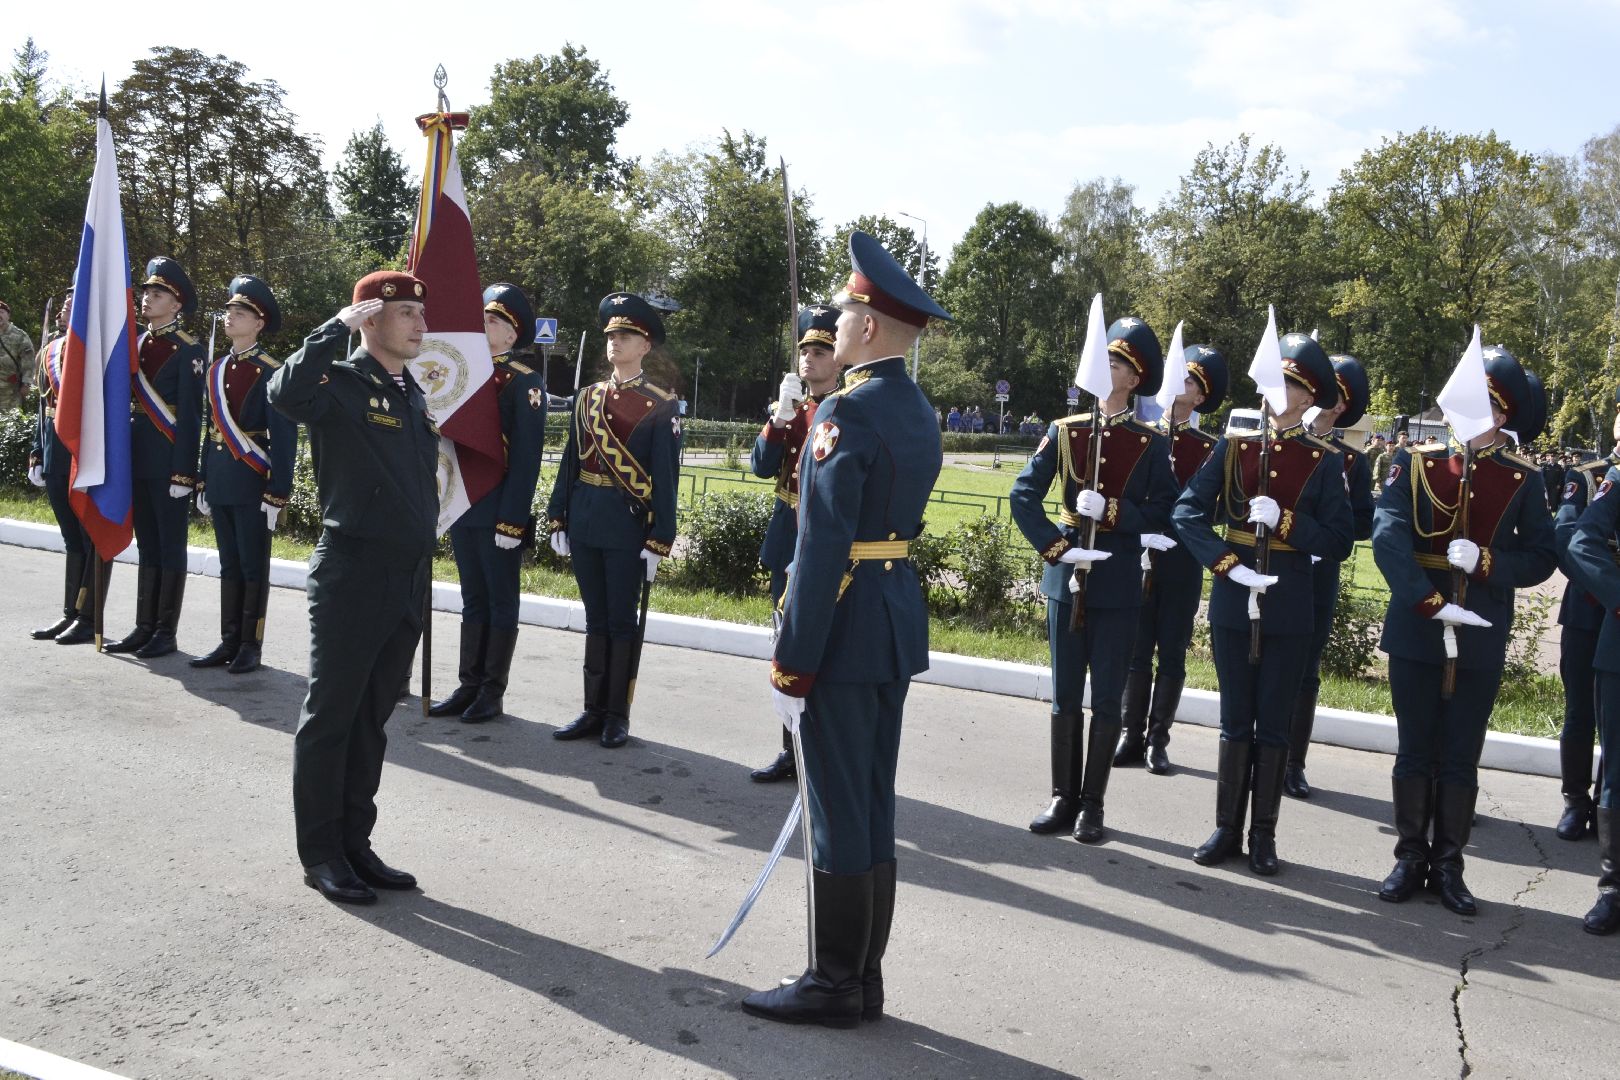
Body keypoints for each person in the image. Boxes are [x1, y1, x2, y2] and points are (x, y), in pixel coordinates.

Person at [741, 229, 947, 1028]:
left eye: (847, 313)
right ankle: (862, 977)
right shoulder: (915, 408)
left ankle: (832, 981)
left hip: (844, 618)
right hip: (889, 616)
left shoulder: (844, 412)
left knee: (835, 804)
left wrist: (793, 659)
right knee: (870, 799)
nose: (840, 322)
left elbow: (822, 545)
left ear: (864, 327)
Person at [267, 271, 439, 905]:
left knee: (371, 719)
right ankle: (321, 853)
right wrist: (332, 328)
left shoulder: (410, 393)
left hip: (405, 575)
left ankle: (356, 844)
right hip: (353, 571)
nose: (421, 323)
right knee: (332, 716)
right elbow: (281, 392)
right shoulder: (338, 383)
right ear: (370, 318)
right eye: (407, 313)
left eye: (422, 312)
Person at [1370, 346, 1556, 915]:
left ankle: (1449, 863)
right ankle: (1409, 856)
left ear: (1500, 416)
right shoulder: (1415, 462)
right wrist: (1429, 602)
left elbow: (1543, 557)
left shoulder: (1522, 480)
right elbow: (1387, 536)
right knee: (1415, 746)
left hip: (1479, 626)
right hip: (1418, 623)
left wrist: (1488, 562)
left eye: (1481, 406)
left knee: (1459, 751)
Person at [1172, 333, 1353, 876]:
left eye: (1289, 385)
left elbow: (1341, 540)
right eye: (1274, 382)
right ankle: (1227, 828)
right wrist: (1226, 564)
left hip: (1290, 601)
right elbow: (1186, 513)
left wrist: (1290, 523)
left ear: (1306, 398)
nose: (1276, 392)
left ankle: (1263, 836)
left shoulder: (1323, 461)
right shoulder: (1234, 447)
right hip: (1234, 594)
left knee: (1273, 724)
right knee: (1235, 722)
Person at [1011, 318, 1174, 843]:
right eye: (1105, 361)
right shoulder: (1065, 431)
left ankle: (1093, 804)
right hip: (1067, 576)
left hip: (1118, 580)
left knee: (1106, 697)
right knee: (1064, 695)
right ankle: (1062, 794)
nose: (1108, 370)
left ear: (1134, 380)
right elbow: (1022, 494)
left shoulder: (1150, 443)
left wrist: (1116, 512)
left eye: (1119, 364)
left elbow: (1167, 511)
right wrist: (1056, 546)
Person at [546, 292, 680, 749]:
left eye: (625, 336)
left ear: (645, 346)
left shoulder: (661, 405)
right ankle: (591, 708)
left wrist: (660, 538)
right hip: (585, 520)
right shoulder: (587, 398)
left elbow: (666, 477)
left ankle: (616, 715)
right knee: (596, 619)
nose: (615, 343)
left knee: (621, 622)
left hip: (627, 527)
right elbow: (569, 462)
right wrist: (557, 516)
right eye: (611, 336)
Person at [427, 283, 548, 723]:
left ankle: (492, 692)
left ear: (513, 335)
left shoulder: (524, 382)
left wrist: (512, 519)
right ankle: (468, 684)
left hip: (498, 509)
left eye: (493, 320)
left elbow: (527, 458)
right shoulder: (464, 373)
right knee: (472, 598)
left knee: (500, 600)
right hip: (462, 502)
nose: (483, 324)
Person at [1116, 344, 1228, 775]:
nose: (1177, 384)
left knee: (1173, 650)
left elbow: (1214, 506)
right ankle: (1130, 734)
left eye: (1189, 380)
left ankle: (1158, 739)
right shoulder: (1140, 433)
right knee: (1136, 647)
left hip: (1182, 556)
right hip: (1140, 547)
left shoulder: (1209, 447)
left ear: (1200, 397)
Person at [747, 303, 843, 783]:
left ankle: (821, 755)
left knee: (824, 651)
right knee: (786, 647)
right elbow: (761, 466)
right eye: (805, 349)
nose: (810, 358)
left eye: (821, 350)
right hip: (786, 541)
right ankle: (791, 751)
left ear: (838, 357)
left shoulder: (844, 410)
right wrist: (779, 419)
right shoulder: (792, 409)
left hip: (824, 543)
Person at [190, 276, 297, 674]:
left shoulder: (272, 372)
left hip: (252, 480)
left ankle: (251, 643)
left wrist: (277, 492)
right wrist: (202, 478)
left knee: (254, 565)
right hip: (220, 477)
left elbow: (285, 438)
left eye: (240, 313)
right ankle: (228, 639)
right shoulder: (217, 369)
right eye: (230, 311)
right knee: (230, 564)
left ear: (258, 323)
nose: (230, 317)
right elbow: (209, 429)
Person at [104, 257, 205, 658]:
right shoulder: (135, 342)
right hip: (136, 457)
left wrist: (183, 472)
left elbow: (191, 418)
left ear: (176, 304)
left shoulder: (188, 350)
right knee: (147, 544)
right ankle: (143, 626)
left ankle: (166, 631)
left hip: (167, 461)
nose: (147, 298)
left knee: (170, 545)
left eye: (157, 293)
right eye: (146, 292)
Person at [1284, 355, 1375, 798]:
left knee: (1304, 670)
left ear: (1340, 407)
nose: (1321, 401)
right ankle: (1259, 755)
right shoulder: (1278, 442)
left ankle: (1293, 762)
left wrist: (1323, 526)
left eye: (1331, 395)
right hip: (1273, 564)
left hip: (1317, 573)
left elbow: (1361, 522)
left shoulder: (1353, 463)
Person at [1550, 392, 1619, 841]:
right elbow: (1565, 539)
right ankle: (1576, 801)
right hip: (1589, 609)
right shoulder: (1588, 476)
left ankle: (1608, 799)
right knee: (1580, 712)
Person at [26, 286, 108, 645]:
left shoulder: (93, 351)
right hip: (54, 454)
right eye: (63, 302)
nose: (63, 307)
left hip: (81, 456)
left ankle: (88, 616)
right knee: (71, 539)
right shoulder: (51, 350)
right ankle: (69, 614)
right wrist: (36, 452)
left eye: (71, 303)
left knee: (90, 539)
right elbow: (40, 409)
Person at [1563, 449, 1620, 935]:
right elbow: (1580, 541)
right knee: (1616, 768)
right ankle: (1614, 889)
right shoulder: (1612, 480)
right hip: (1612, 638)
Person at [0, 298, 36, 412]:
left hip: (11, 393)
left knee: (10, 424)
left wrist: (26, 383)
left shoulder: (20, 336)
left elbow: (28, 361)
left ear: (8, 316)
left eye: (1, 312)